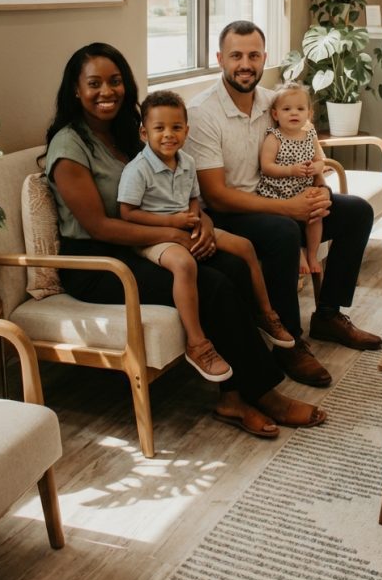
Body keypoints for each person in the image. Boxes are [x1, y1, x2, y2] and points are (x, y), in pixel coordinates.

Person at [43, 42, 325, 440]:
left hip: (147, 243)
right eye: (94, 83)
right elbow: (100, 227)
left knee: (232, 265)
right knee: (213, 284)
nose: (107, 91)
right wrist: (175, 233)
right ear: (75, 89)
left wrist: (202, 222)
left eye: (115, 81)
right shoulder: (70, 146)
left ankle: (233, 396)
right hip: (98, 263)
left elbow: (172, 191)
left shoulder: (128, 133)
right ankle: (263, 393)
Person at [185, 20, 382, 391]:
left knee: (356, 211)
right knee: (281, 231)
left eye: (254, 55)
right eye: (236, 55)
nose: (246, 63)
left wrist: (318, 186)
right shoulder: (202, 114)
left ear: (264, 58)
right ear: (219, 59)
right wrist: (290, 208)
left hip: (276, 194)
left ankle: (327, 313)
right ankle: (288, 341)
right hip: (229, 212)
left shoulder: (272, 102)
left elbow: (307, 144)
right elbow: (215, 195)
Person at [117, 89, 294, 382]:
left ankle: (265, 313)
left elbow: (194, 200)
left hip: (187, 226)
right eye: (159, 128)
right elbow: (127, 213)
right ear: (144, 133)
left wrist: (198, 220)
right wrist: (172, 222)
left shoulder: (186, 162)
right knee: (184, 265)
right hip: (153, 236)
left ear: (186, 130)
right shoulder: (137, 170)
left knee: (245, 247)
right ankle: (197, 343)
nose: (168, 135)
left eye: (176, 128)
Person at [257, 81, 326, 275]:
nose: (294, 113)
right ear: (275, 114)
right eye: (287, 109)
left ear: (309, 114)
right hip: (277, 193)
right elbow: (267, 166)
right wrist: (290, 170)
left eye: (300, 109)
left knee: (316, 215)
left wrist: (315, 167)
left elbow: (319, 160)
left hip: (303, 189)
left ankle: (312, 254)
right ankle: (298, 254)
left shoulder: (310, 133)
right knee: (286, 224)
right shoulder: (274, 137)